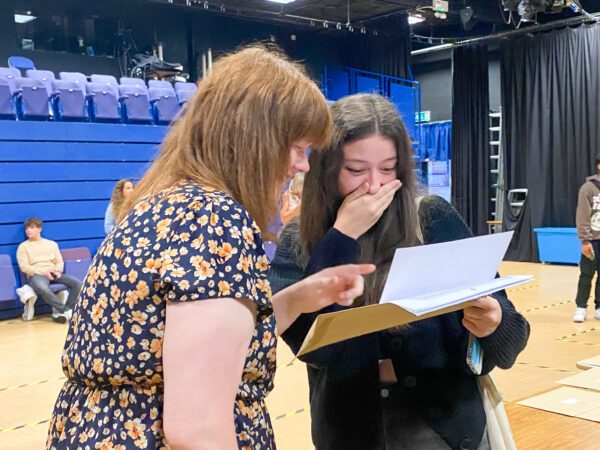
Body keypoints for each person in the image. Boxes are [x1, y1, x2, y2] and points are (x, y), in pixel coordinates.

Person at [46, 46, 374, 450]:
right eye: (296, 147)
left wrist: (303, 296)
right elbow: (197, 429)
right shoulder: (214, 221)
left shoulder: (165, 202)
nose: (302, 165)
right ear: (253, 139)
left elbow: (199, 340)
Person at [269, 94, 530, 450]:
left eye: (388, 169)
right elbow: (314, 350)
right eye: (356, 170)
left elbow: (513, 338)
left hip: (446, 429)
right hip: (351, 432)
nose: (375, 185)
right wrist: (342, 236)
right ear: (327, 170)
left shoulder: (432, 219)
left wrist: (495, 323)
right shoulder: (300, 240)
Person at [16, 217, 82, 323]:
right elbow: (25, 267)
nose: (28, 230)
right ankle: (65, 310)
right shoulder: (23, 247)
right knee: (43, 287)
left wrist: (57, 271)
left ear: (39, 229)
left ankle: (68, 309)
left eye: (32, 228)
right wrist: (44, 272)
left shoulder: (51, 244)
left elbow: (59, 261)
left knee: (77, 284)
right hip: (36, 275)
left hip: (53, 273)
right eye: (27, 228)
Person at [573, 154, 600, 322]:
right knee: (587, 274)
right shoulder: (588, 188)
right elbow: (583, 215)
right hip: (593, 240)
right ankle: (581, 307)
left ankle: (599, 307)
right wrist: (585, 240)